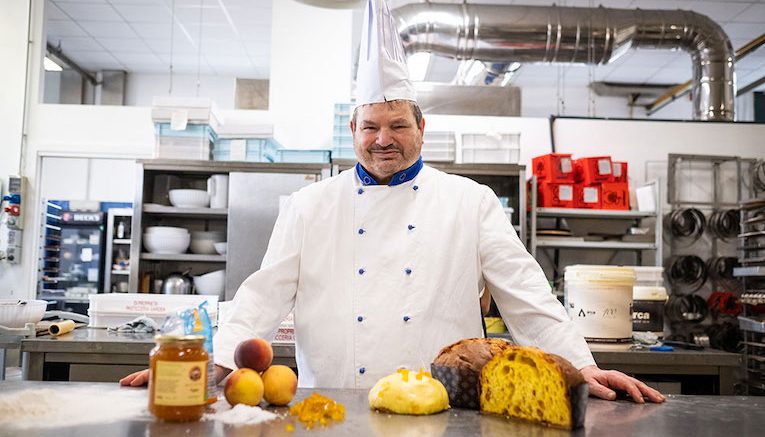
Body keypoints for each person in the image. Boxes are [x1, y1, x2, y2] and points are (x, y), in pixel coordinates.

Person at [122, 0, 664, 404]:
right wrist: (204, 368)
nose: (385, 139)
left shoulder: (469, 203)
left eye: (399, 124)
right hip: (330, 405)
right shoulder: (308, 207)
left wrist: (580, 367)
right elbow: (261, 298)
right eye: (372, 126)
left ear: (421, 128)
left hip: (443, 409)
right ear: (353, 130)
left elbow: (527, 296)